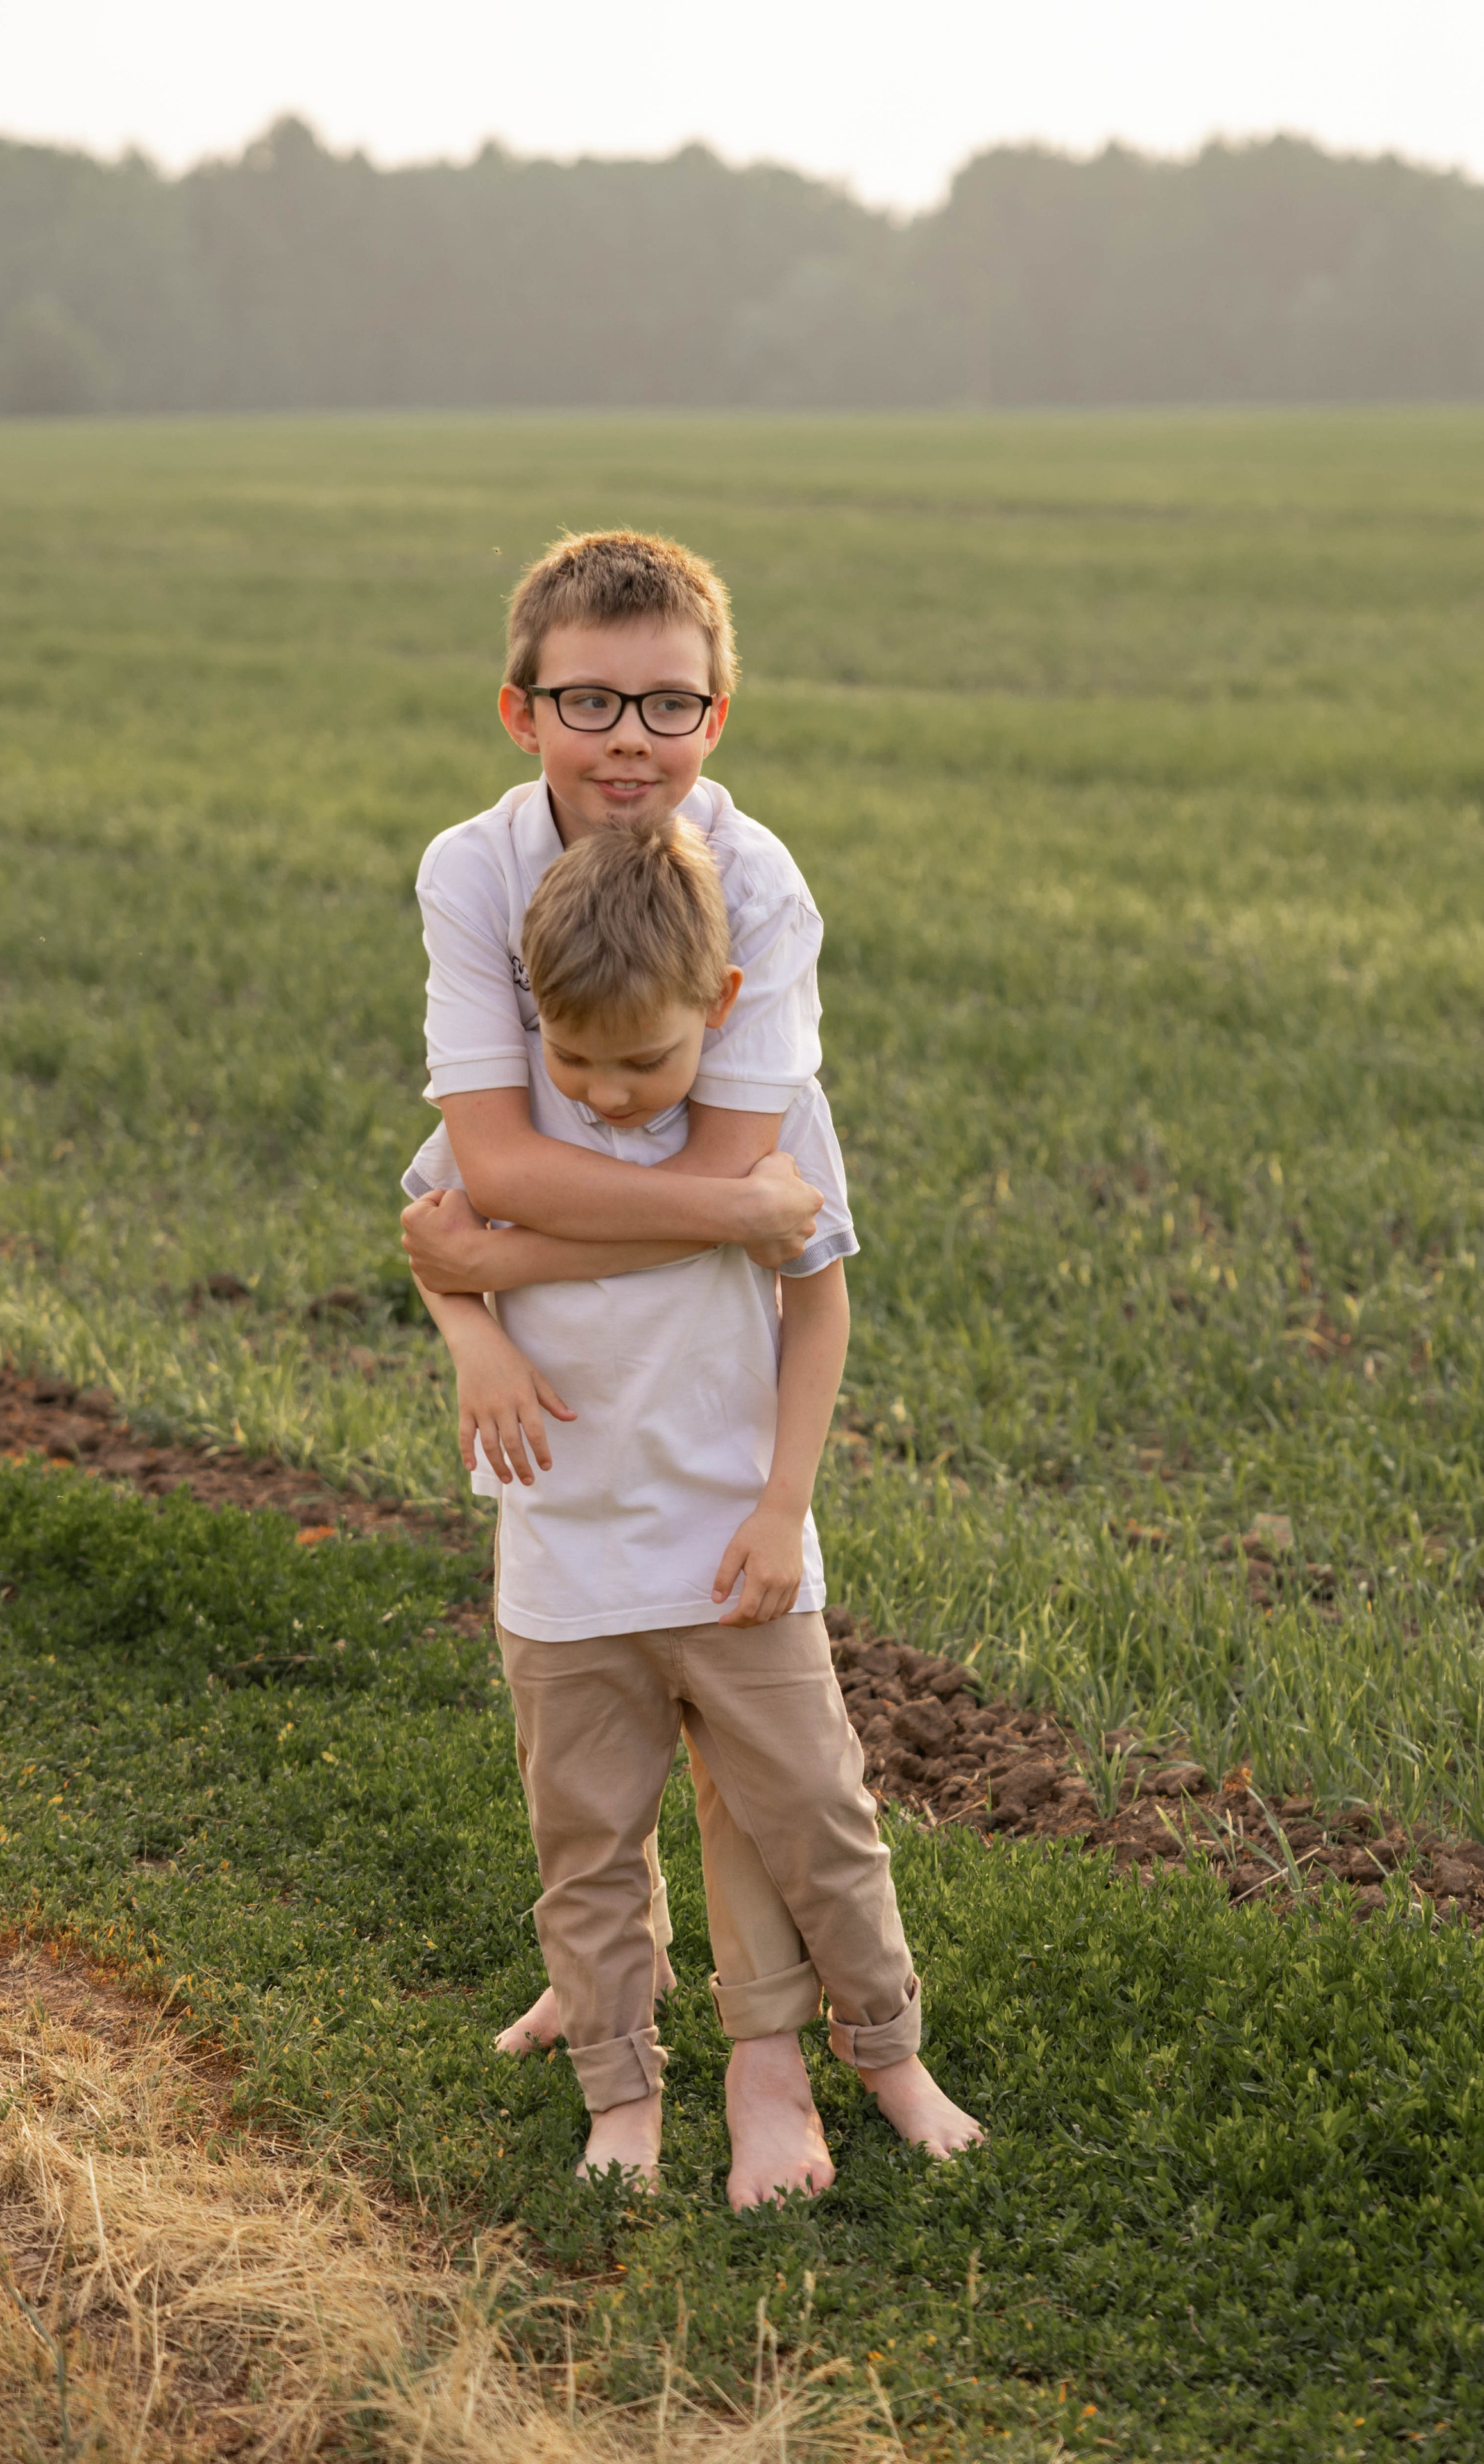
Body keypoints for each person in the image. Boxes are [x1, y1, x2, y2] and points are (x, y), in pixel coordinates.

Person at [404, 819, 983, 2200]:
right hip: (564, 1560)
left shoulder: (775, 1125)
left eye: (645, 1063)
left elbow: (816, 1297)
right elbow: (433, 1245)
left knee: (818, 1821)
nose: (604, 1096)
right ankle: (619, 2086)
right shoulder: (502, 1128)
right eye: (573, 1057)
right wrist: (477, 1341)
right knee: (586, 1843)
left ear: (717, 1013)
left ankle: (885, 2051)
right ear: (532, 1015)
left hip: (734, 1548)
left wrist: (786, 1506)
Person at [401, 528, 841, 2203]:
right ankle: (612, 1980)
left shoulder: (763, 883)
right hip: (581, 1379)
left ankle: (775, 2068)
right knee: (586, 1704)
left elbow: (746, 1193)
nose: (631, 738)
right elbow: (514, 1163)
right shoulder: (471, 869)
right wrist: (491, 1251)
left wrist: (494, 1254)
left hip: (723, 1367)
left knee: (744, 1726)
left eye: (671, 702)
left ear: (719, 717)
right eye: (593, 699)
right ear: (522, 710)